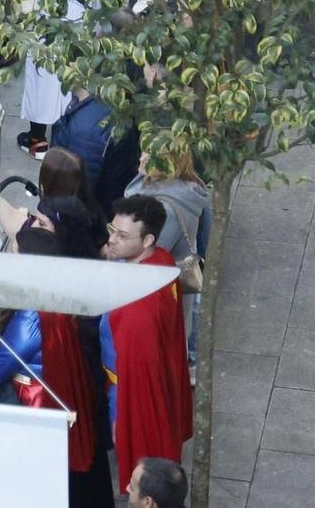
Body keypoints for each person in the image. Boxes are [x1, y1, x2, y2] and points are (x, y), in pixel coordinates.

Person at [102, 196, 194, 471]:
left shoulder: (137, 306)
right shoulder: (161, 263)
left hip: (126, 390)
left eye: (122, 235)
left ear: (147, 240)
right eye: (112, 230)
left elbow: (138, 379)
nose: (112, 240)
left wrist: (121, 417)